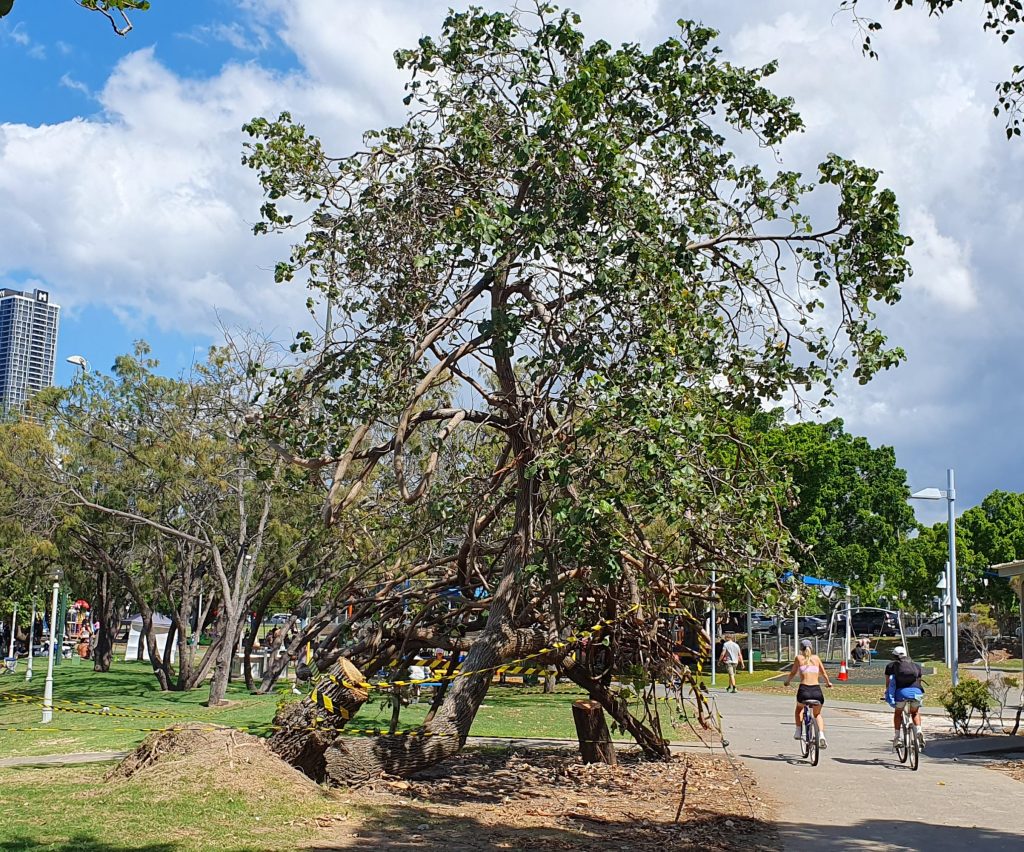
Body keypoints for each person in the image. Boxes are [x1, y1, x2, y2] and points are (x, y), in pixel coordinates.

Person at [783, 638, 834, 748]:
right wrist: (828, 683)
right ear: (811, 648)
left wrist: (787, 682)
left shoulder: (799, 658)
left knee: (799, 710)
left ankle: (798, 730)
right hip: (817, 691)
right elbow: (824, 673)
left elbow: (792, 673)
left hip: (804, 690)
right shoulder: (816, 658)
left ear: (801, 649)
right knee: (817, 714)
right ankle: (821, 735)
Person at [884, 645, 925, 750]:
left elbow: (888, 684)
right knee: (915, 712)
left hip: (902, 693)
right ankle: (919, 730)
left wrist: (887, 694)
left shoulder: (890, 666)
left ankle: (897, 737)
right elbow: (919, 681)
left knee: (898, 713)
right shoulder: (916, 666)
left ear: (894, 656)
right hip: (917, 692)